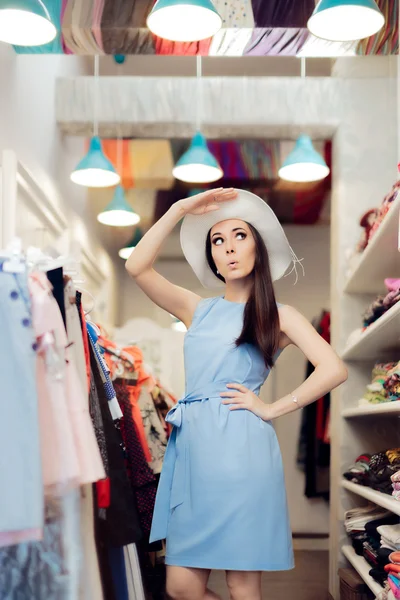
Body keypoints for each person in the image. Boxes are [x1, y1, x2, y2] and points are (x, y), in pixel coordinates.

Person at [125, 187, 347, 600]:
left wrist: (272, 408)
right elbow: (138, 266)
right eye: (217, 240)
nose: (228, 248)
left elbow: (334, 368)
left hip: (243, 455)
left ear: (258, 248)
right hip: (192, 454)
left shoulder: (280, 316)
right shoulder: (197, 308)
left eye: (239, 236)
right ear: (212, 256)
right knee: (180, 587)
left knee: (241, 585)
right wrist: (179, 208)